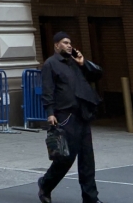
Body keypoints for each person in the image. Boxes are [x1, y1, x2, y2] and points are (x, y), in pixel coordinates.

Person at [38, 32, 103, 203]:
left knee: (87, 158)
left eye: (70, 43)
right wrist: (50, 112)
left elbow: (97, 75)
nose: (69, 45)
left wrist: (83, 63)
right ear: (56, 45)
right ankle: (45, 184)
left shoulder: (75, 63)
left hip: (82, 114)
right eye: (65, 42)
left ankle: (90, 198)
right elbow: (47, 90)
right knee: (66, 157)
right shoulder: (50, 64)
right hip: (65, 116)